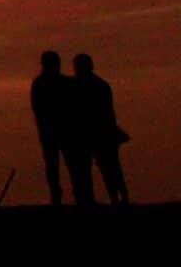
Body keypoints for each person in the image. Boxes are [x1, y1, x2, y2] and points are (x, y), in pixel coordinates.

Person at [71, 54, 131, 206]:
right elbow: (109, 112)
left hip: (92, 132)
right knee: (110, 167)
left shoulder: (78, 86)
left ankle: (117, 196)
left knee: (105, 167)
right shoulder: (101, 85)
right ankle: (119, 196)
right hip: (99, 131)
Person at [32, 51, 72, 205]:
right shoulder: (59, 83)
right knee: (54, 164)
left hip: (57, 130)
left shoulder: (41, 83)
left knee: (58, 163)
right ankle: (57, 193)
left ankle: (60, 194)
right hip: (55, 130)